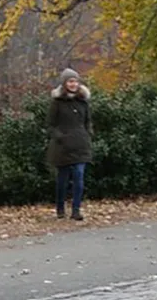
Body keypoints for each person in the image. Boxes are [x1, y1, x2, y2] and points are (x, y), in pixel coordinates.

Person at [46, 68, 93, 221]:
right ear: (65, 83)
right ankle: (60, 208)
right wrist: (60, 137)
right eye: (70, 81)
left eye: (76, 81)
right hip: (62, 147)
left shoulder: (83, 102)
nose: (73, 84)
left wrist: (88, 134)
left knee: (79, 176)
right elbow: (51, 124)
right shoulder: (57, 103)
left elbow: (88, 121)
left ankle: (76, 210)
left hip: (81, 145)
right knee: (63, 179)